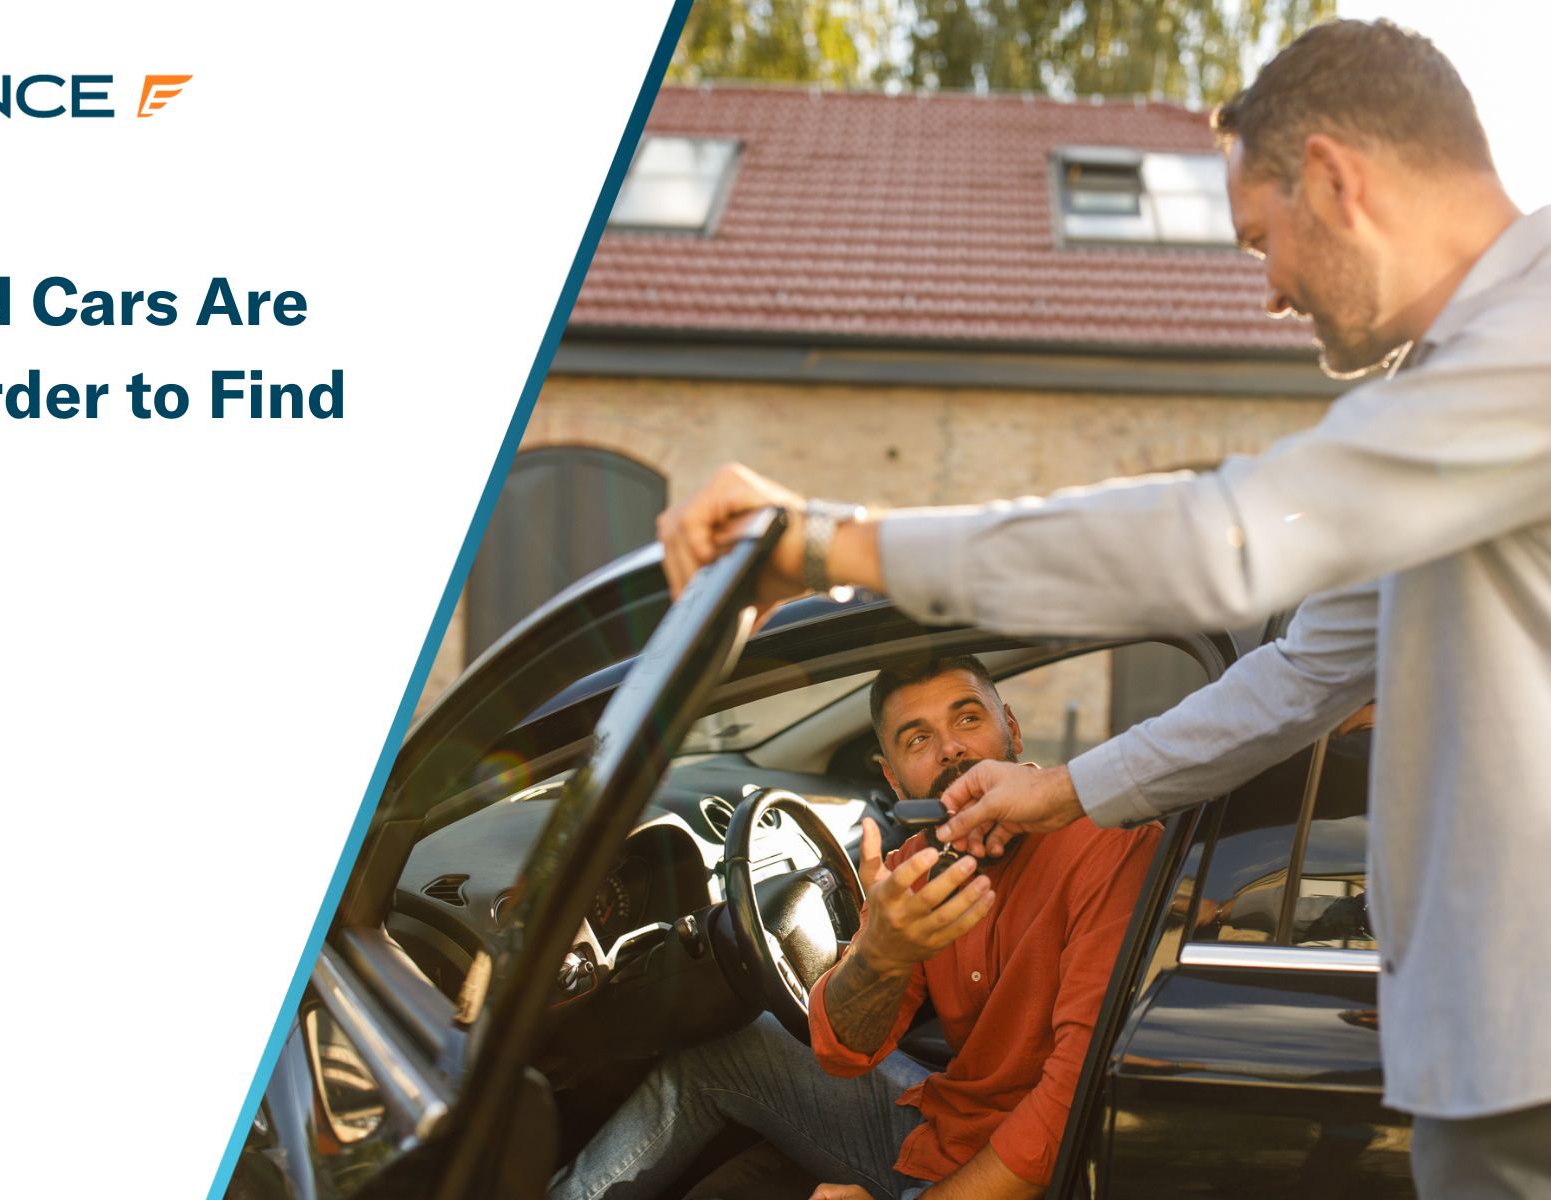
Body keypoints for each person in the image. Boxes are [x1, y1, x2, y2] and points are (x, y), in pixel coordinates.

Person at [655, 19, 1550, 1198]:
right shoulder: (1456, 386)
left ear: (1334, 179)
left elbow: (1222, 537)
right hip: (1474, 1044)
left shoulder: (1525, 342)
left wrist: (826, 543)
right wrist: (1060, 788)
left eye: (1259, 241)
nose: (1270, 290)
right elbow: (1295, 677)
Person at [548, 658, 1158, 1200]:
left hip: (1053, 1173)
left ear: (1013, 731)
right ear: (894, 780)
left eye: (968, 719)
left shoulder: (1108, 843)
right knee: (730, 1043)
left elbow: (1075, 1104)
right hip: (951, 1129)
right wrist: (881, 955)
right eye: (918, 739)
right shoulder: (908, 869)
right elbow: (843, 1051)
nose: (950, 749)